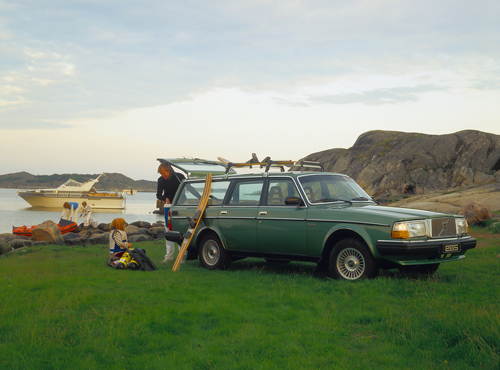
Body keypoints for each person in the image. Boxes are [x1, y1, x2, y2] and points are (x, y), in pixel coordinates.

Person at [156, 163, 185, 263]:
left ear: (169, 170)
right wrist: (165, 198)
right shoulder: (160, 180)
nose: (162, 175)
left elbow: (187, 189)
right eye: (161, 174)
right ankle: (168, 256)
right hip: (168, 206)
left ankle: (182, 256)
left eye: (163, 173)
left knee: (180, 229)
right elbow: (159, 195)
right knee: (168, 230)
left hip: (180, 205)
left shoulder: (179, 177)